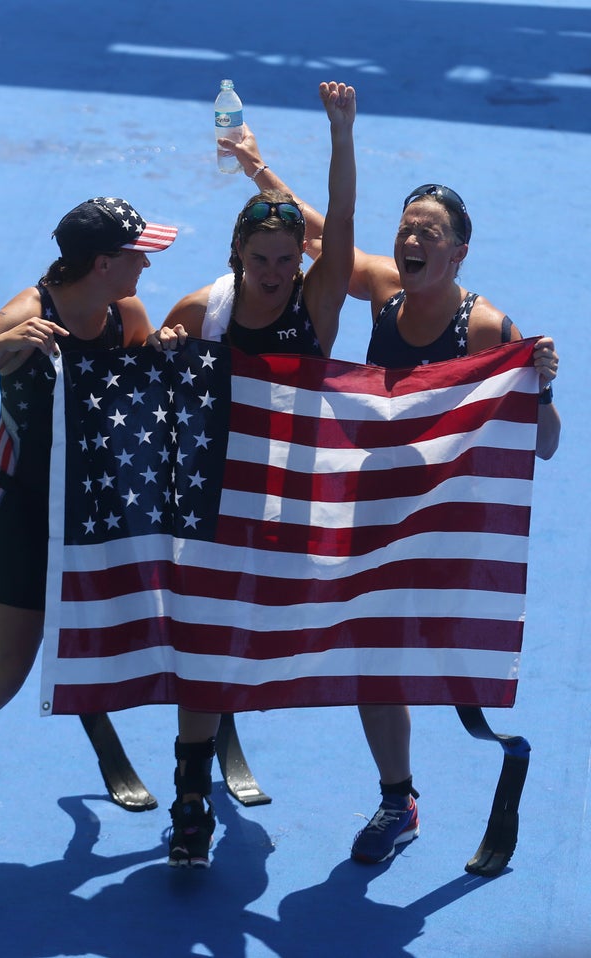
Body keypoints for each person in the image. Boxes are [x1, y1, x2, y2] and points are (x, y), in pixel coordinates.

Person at [222, 129, 561, 864]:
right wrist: (255, 165)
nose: (411, 239)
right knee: (373, 663)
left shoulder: (486, 329)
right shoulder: (382, 288)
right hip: (371, 507)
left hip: (439, 522)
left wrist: (543, 385)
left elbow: (544, 443)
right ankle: (396, 799)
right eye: (406, 226)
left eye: (428, 232)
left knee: (430, 657)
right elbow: (311, 231)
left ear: (458, 253)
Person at [0, 196, 179, 856]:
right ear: (104, 262)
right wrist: (3, 344)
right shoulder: (30, 313)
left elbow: (143, 402)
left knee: (156, 631)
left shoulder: (124, 312)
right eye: (140, 253)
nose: (147, 263)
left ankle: (190, 778)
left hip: (96, 508)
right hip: (22, 510)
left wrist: (161, 351)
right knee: (7, 670)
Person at [156, 80, 357, 868]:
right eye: (260, 258)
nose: (275, 272)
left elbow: (339, 224)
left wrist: (341, 134)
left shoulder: (322, 298)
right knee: (205, 650)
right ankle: (189, 799)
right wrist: (166, 353)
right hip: (211, 504)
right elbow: (148, 377)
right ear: (236, 254)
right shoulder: (201, 308)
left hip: (291, 509)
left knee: (258, 645)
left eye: (286, 258)